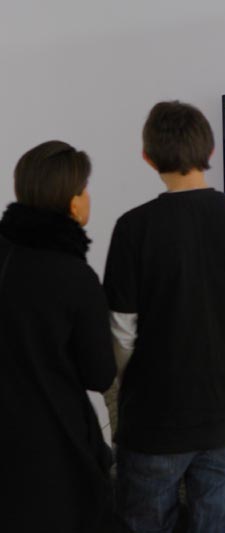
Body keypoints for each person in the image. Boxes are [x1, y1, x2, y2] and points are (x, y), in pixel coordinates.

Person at [104, 101, 225, 533]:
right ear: (210, 150)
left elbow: (121, 331)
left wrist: (135, 379)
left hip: (152, 420)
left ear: (148, 156)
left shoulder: (132, 228)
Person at [1, 141, 117, 532]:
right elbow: (99, 374)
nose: (88, 198)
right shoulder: (74, 277)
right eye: (84, 189)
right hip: (54, 452)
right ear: (71, 202)